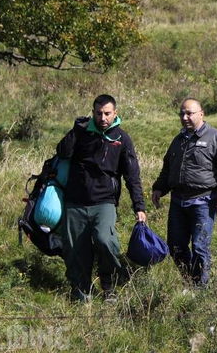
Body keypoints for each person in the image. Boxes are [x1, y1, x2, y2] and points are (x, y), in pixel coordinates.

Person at [56, 94, 147, 302]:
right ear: (93, 113)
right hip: (75, 200)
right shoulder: (82, 132)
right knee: (75, 249)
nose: (102, 118)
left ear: (115, 113)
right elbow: (62, 152)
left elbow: (132, 175)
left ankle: (109, 285)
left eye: (107, 113)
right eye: (98, 113)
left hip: (105, 201)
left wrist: (139, 206)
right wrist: (75, 130)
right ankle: (81, 290)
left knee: (106, 241)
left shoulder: (122, 139)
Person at [152, 98, 217, 287]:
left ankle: (200, 288)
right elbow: (168, 168)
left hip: (204, 201)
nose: (185, 117)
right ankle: (190, 281)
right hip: (178, 201)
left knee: (200, 247)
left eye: (189, 113)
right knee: (175, 247)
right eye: (182, 114)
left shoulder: (216, 138)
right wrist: (159, 188)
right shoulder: (178, 140)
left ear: (201, 114)